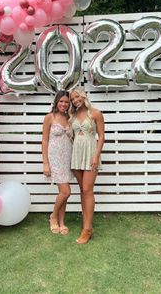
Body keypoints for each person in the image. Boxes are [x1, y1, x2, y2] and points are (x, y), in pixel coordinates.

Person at [69, 86, 104, 244]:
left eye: (77, 97)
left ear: (83, 96)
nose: (75, 100)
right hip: (77, 154)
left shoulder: (95, 113)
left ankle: (87, 229)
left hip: (90, 154)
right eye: (73, 99)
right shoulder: (73, 115)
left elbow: (102, 136)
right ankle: (86, 224)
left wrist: (96, 156)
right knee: (82, 191)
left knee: (87, 190)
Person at [42, 90, 73, 235]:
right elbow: (45, 140)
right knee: (66, 191)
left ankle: (62, 222)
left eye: (66, 102)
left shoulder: (70, 118)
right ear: (56, 102)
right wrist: (46, 163)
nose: (64, 104)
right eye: (61, 101)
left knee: (63, 193)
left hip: (68, 157)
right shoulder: (49, 117)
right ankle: (53, 216)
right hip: (55, 158)